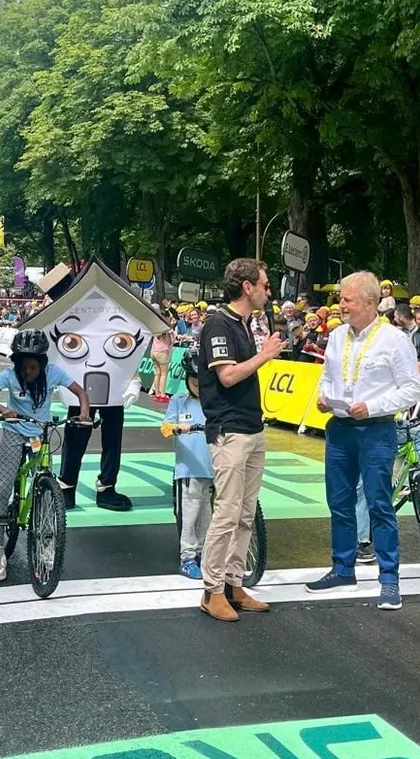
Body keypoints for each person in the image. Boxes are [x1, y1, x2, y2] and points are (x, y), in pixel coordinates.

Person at [309, 271, 420, 610]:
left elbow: (412, 389)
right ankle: (342, 567)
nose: (340, 305)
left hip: (376, 429)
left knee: (378, 504)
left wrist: (371, 406)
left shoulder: (394, 339)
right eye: (342, 298)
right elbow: (328, 376)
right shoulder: (337, 336)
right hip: (340, 428)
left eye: (347, 299)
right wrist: (322, 396)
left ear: (370, 303)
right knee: (339, 501)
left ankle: (389, 579)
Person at [197, 258, 285, 622]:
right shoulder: (219, 323)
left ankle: (234, 583)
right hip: (229, 429)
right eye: (264, 284)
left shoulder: (244, 324)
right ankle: (211, 590)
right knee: (227, 512)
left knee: (245, 514)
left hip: (252, 427)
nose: (268, 291)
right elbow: (228, 376)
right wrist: (265, 356)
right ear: (247, 287)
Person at [0, 329, 90, 583]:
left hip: (41, 433)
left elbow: (81, 392)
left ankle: (47, 545)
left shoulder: (53, 373)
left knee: (46, 489)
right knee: (3, 487)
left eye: (32, 367)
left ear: (42, 364)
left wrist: (84, 412)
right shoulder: (9, 375)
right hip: (14, 432)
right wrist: (3, 409)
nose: (28, 373)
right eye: (23, 367)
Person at [162, 349, 214, 580]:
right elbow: (165, 427)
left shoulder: (215, 403)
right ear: (188, 380)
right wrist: (177, 428)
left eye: (203, 382)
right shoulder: (179, 401)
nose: (199, 387)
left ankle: (204, 552)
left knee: (207, 514)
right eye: (195, 382)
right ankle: (187, 557)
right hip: (188, 471)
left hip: (212, 470)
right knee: (189, 515)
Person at [150, 326, 175, 402]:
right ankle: (163, 395)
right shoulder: (168, 328)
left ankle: (157, 393)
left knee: (157, 373)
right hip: (163, 352)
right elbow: (172, 341)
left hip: (153, 351)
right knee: (164, 374)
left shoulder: (156, 326)